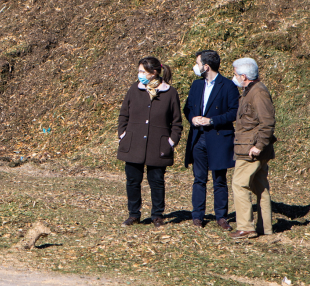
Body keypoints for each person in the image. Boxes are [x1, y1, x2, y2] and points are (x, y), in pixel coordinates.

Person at [117, 56, 182, 228]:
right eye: (139, 71)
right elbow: (124, 114)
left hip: (158, 145)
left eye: (142, 72)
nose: (139, 75)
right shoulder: (134, 89)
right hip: (133, 143)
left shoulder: (170, 92)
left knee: (157, 181)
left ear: (154, 73)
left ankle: (157, 215)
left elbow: (176, 122)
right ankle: (133, 214)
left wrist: (171, 142)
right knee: (132, 180)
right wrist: (122, 134)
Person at [183, 50, 238, 231]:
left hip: (219, 138)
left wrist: (211, 120)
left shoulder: (228, 86)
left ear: (206, 66)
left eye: (197, 63)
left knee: (219, 180)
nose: (196, 67)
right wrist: (193, 118)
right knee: (199, 179)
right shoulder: (197, 85)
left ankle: (221, 216)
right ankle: (197, 215)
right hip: (199, 138)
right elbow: (188, 107)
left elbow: (233, 112)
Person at [229, 57, 276, 239]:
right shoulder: (251, 91)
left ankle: (246, 227)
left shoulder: (258, 93)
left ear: (243, 75)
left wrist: (258, 146)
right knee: (260, 188)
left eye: (235, 74)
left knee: (239, 184)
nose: (234, 77)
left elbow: (268, 122)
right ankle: (265, 228)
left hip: (251, 150)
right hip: (249, 147)